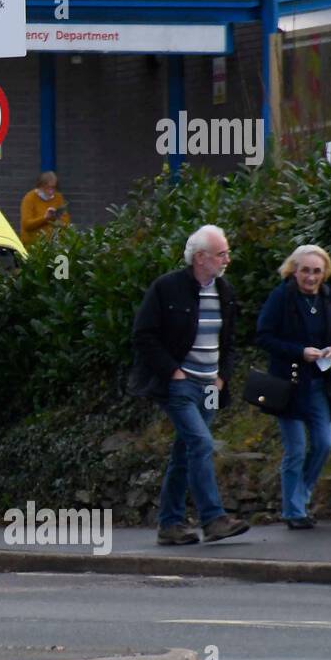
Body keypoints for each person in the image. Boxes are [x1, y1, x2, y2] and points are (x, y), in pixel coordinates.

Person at [129, 224, 249, 545]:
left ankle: (170, 524)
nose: (227, 259)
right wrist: (173, 372)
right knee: (201, 444)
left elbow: (230, 340)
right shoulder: (166, 288)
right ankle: (213, 519)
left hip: (211, 385)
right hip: (181, 385)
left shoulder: (225, 292)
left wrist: (224, 374)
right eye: (221, 254)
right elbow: (144, 335)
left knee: (184, 452)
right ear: (200, 258)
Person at [256, 245, 331, 529]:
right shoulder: (281, 296)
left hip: (319, 384)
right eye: (305, 270)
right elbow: (263, 336)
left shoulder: (329, 298)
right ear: (294, 271)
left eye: (316, 271)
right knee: (295, 449)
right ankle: (293, 511)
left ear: (324, 273)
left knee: (324, 443)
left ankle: (301, 496)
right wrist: (300, 352)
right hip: (288, 384)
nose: (310, 277)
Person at [19, 171, 71, 247]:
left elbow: (66, 222)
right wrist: (45, 218)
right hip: (34, 247)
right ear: (40, 186)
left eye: (53, 188)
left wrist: (56, 219)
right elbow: (26, 225)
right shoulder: (30, 198)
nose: (51, 192)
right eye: (47, 188)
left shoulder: (58, 197)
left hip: (53, 245)